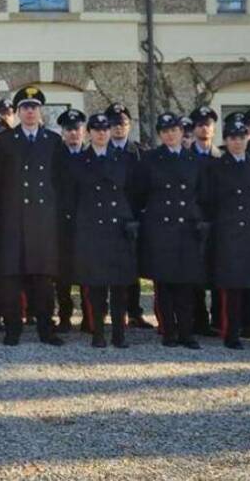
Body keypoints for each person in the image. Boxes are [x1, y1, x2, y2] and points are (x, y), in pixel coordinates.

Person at [0, 86, 65, 346]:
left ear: (40, 110)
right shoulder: (4, 141)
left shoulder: (52, 141)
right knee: (11, 278)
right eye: (25, 107)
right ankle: (13, 328)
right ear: (18, 112)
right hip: (12, 219)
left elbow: (59, 181)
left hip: (42, 221)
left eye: (34, 107)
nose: (30, 112)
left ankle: (46, 329)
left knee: (43, 279)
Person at [132, 112, 208, 349]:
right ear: (160, 134)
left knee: (185, 285)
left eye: (173, 130)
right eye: (165, 131)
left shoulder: (194, 159)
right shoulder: (150, 159)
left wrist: (199, 220)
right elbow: (139, 193)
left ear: (181, 132)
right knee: (164, 286)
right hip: (160, 228)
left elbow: (202, 194)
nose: (170, 135)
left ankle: (187, 332)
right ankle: (169, 332)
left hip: (186, 228)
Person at [65, 113, 137, 348]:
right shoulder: (78, 161)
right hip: (91, 229)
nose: (101, 133)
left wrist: (131, 220)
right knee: (96, 286)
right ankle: (98, 332)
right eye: (96, 130)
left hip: (118, 228)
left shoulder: (125, 159)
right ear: (89, 132)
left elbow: (135, 192)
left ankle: (119, 333)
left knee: (119, 286)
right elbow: (71, 197)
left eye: (105, 129)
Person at [198, 112, 250, 350]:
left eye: (241, 136)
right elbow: (207, 200)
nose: (237, 141)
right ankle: (231, 333)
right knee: (232, 287)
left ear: (248, 138)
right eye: (232, 137)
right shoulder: (217, 167)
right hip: (228, 233)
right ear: (226, 140)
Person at [106, 102, 155, 329]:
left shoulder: (140, 153)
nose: (118, 128)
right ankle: (111, 312)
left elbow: (146, 187)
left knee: (131, 267)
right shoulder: (99, 150)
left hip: (132, 218)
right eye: (114, 124)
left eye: (123, 123)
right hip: (105, 218)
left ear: (129, 125)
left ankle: (134, 311)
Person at [54, 108, 87, 333]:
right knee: (62, 274)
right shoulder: (56, 157)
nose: (73, 134)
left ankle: (90, 317)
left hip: (87, 223)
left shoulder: (91, 156)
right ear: (63, 133)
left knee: (88, 272)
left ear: (83, 131)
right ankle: (64, 316)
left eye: (77, 129)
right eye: (69, 130)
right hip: (62, 224)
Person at [189, 106, 221, 336]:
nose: (204, 128)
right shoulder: (186, 158)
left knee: (220, 271)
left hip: (220, 223)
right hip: (193, 222)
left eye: (208, 124)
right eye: (200, 124)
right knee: (196, 274)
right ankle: (199, 320)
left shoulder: (221, 157)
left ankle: (220, 320)